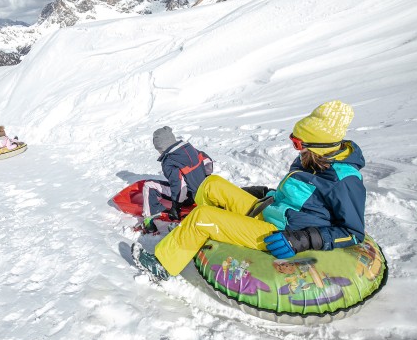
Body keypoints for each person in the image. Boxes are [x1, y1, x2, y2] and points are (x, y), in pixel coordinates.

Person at [132, 100, 366, 281]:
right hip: (270, 210)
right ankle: (198, 233)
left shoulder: (344, 181)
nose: (295, 148)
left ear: (317, 146)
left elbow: (353, 232)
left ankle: (161, 267)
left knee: (204, 217)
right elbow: (302, 199)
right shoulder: (310, 160)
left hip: (280, 233)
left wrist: (301, 239)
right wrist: (266, 193)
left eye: (298, 144)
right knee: (212, 184)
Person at [140, 126, 213, 234]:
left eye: (159, 150)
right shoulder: (190, 148)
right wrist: (200, 179)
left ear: (161, 147)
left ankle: (148, 222)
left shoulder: (168, 161)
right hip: (203, 189)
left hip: (189, 197)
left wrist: (175, 206)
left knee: (148, 185)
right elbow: (208, 163)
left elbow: (180, 186)